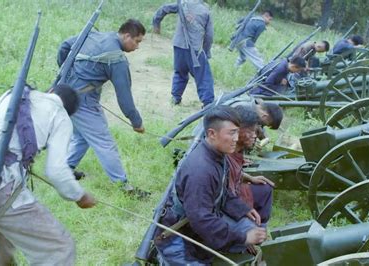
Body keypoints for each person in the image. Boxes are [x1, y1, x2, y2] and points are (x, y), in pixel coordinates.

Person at [0, 84, 96, 265]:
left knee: (0, 245)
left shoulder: (13, 95)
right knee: (60, 249)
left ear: (50, 91)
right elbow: (57, 171)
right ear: (68, 111)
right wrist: (80, 196)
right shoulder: (60, 115)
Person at [154, 105, 267, 265]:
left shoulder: (219, 155)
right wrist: (242, 237)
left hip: (200, 221)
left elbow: (221, 192)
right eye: (231, 133)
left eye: (237, 131)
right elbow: (201, 219)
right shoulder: (200, 170)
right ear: (211, 134)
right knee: (243, 236)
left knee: (250, 228)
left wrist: (243, 209)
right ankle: (164, 258)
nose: (236, 138)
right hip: (178, 236)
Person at [57, 18, 149, 196]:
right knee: (105, 142)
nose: (137, 47)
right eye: (137, 42)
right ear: (127, 35)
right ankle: (123, 186)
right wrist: (136, 122)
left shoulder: (97, 35)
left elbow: (65, 46)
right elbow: (125, 98)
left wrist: (65, 71)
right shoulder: (117, 60)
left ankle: (65, 170)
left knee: (82, 137)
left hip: (66, 93)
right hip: (82, 102)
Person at [152, 0, 215, 108]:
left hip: (179, 45)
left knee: (180, 72)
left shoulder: (183, 4)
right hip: (196, 49)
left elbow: (164, 9)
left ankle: (176, 97)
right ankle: (208, 103)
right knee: (203, 76)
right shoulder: (205, 11)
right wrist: (206, 51)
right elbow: (209, 35)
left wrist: (156, 23)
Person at [227, 105, 275, 227]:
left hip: (233, 192)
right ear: (237, 130)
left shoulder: (236, 149)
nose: (254, 135)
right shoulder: (225, 152)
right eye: (251, 131)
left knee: (265, 188)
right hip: (227, 201)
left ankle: (260, 226)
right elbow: (224, 195)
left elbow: (234, 173)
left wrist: (250, 178)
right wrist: (243, 209)